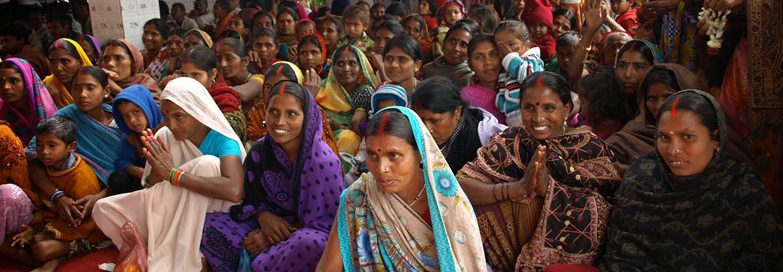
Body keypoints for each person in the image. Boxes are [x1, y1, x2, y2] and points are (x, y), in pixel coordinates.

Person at [599, 90, 783, 271]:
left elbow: (763, 258)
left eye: (687, 137)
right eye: (664, 137)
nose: (673, 150)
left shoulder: (742, 191)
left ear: (716, 139)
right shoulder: (641, 179)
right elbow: (621, 257)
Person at [457, 72, 621, 271]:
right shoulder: (510, 141)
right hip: (497, 262)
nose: (538, 118)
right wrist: (517, 189)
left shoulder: (589, 147)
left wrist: (549, 189)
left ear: (566, 109)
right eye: (529, 108)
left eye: (549, 107)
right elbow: (461, 187)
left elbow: (607, 203)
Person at [92, 77, 247, 271]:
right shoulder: (164, 135)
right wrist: (158, 173)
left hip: (208, 209)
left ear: (197, 111)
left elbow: (234, 190)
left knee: (207, 165)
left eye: (179, 116)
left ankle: (167, 245)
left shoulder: (223, 141)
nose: (171, 125)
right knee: (103, 209)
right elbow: (150, 188)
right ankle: (162, 240)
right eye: (166, 117)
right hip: (169, 205)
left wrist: (173, 175)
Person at [316, 107, 487, 271]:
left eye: (393, 155)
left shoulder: (448, 203)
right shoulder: (358, 197)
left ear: (420, 153)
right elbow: (327, 267)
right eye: (372, 155)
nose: (381, 168)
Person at [201, 80, 343, 271]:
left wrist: (271, 237)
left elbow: (326, 225)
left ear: (307, 117)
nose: (279, 121)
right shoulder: (260, 151)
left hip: (301, 236)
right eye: (273, 111)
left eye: (291, 114)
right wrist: (262, 216)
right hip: (264, 226)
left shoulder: (324, 162)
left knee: (310, 243)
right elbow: (249, 197)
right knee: (208, 224)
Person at [9, 116, 105, 271]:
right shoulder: (47, 165)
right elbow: (43, 204)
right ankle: (52, 259)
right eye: (39, 145)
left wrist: (45, 233)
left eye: (52, 145)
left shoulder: (81, 179)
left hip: (82, 233)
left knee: (40, 250)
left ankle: (55, 257)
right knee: (13, 242)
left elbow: (83, 224)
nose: (44, 152)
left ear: (71, 147)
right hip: (51, 223)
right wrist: (34, 229)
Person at [605, 64, 703, 170]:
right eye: (652, 98)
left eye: (667, 96)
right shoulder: (631, 135)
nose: (659, 106)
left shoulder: (705, 135)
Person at [412, 77, 506, 173]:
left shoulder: (481, 142)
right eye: (419, 121)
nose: (427, 129)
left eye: (435, 121)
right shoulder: (411, 131)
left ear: (457, 111)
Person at [317, 44, 379, 155]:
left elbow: (357, 125)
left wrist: (337, 125)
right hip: (321, 141)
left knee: (348, 138)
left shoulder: (365, 91)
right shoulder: (322, 90)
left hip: (359, 148)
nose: (346, 69)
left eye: (352, 63)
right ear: (333, 68)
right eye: (340, 64)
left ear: (361, 68)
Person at [178, 46, 247, 141]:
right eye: (184, 75)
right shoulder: (179, 95)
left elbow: (232, 132)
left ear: (213, 74)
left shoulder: (225, 97)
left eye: (196, 75)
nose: (188, 81)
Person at [108, 85, 163, 195]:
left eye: (136, 111)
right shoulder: (131, 138)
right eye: (126, 116)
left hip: (168, 180)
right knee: (117, 178)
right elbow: (122, 162)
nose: (132, 120)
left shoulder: (166, 128)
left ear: (148, 107)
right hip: (144, 182)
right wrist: (139, 171)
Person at [493, 20, 545, 127]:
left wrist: (510, 59)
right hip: (513, 121)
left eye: (511, 44)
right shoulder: (506, 67)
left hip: (533, 117)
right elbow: (503, 90)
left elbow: (530, 79)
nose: (506, 50)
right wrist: (502, 104)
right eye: (500, 47)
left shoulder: (532, 60)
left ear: (527, 44)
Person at [0, 58, 57, 146]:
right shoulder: (1, 110)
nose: (6, 87)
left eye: (13, 81)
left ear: (27, 81)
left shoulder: (46, 112)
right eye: (1, 82)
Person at [462, 33, 504, 123]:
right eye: (478, 57)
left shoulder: (515, 88)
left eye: (493, 54)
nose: (487, 62)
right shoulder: (467, 97)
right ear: (470, 65)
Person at [421, 20, 477, 89]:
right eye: (452, 41)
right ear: (444, 43)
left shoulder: (470, 77)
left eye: (463, 45)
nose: (456, 48)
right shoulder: (427, 70)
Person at [214, 37, 264, 110]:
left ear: (246, 61)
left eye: (229, 58)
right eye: (219, 59)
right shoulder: (225, 82)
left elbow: (244, 94)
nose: (222, 64)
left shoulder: (259, 80)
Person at [43, 38, 93, 108]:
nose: (58, 68)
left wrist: (57, 102)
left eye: (65, 61)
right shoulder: (47, 87)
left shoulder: (94, 85)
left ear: (80, 62)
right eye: (52, 61)